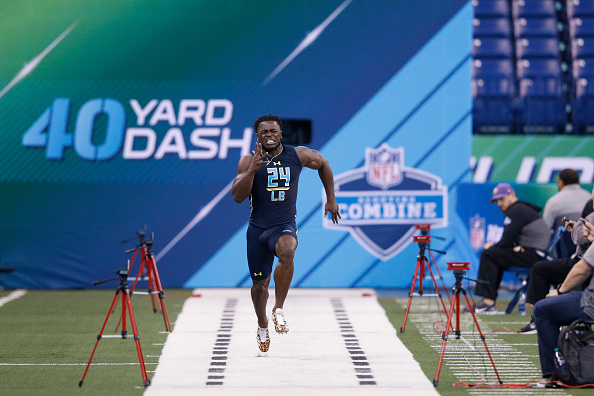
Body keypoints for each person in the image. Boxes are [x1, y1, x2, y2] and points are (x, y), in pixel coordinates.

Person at [232, 114, 340, 352]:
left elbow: (323, 163)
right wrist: (251, 170)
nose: (269, 135)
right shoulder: (247, 161)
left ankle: (278, 309)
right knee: (259, 286)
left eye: (273, 131)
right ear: (257, 136)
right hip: (257, 229)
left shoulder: (297, 155)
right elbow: (238, 197)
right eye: (264, 132)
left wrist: (330, 198)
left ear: (281, 133)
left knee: (288, 250)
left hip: (283, 224)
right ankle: (262, 325)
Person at [517, 187, 594, 334]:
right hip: (584, 264)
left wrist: (559, 291)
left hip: (585, 265)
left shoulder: (591, 216)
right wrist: (577, 227)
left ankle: (538, 321)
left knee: (540, 269)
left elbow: (582, 239)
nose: (592, 201)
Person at [472, 183, 550, 314]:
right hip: (537, 254)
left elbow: (506, 241)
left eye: (501, 199)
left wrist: (492, 246)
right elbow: (510, 241)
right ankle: (488, 301)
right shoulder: (521, 208)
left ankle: (488, 302)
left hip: (535, 256)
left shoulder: (515, 210)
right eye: (496, 201)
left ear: (512, 195)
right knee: (495, 255)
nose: (499, 203)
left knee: (488, 254)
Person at [533, 218, 594, 382]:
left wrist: (560, 291)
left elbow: (582, 269)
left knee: (542, 310)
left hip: (591, 304)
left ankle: (555, 375)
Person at [542, 169, 591, 258]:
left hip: (565, 257)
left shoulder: (554, 202)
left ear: (560, 182)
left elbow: (545, 230)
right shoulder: (589, 198)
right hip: (589, 253)